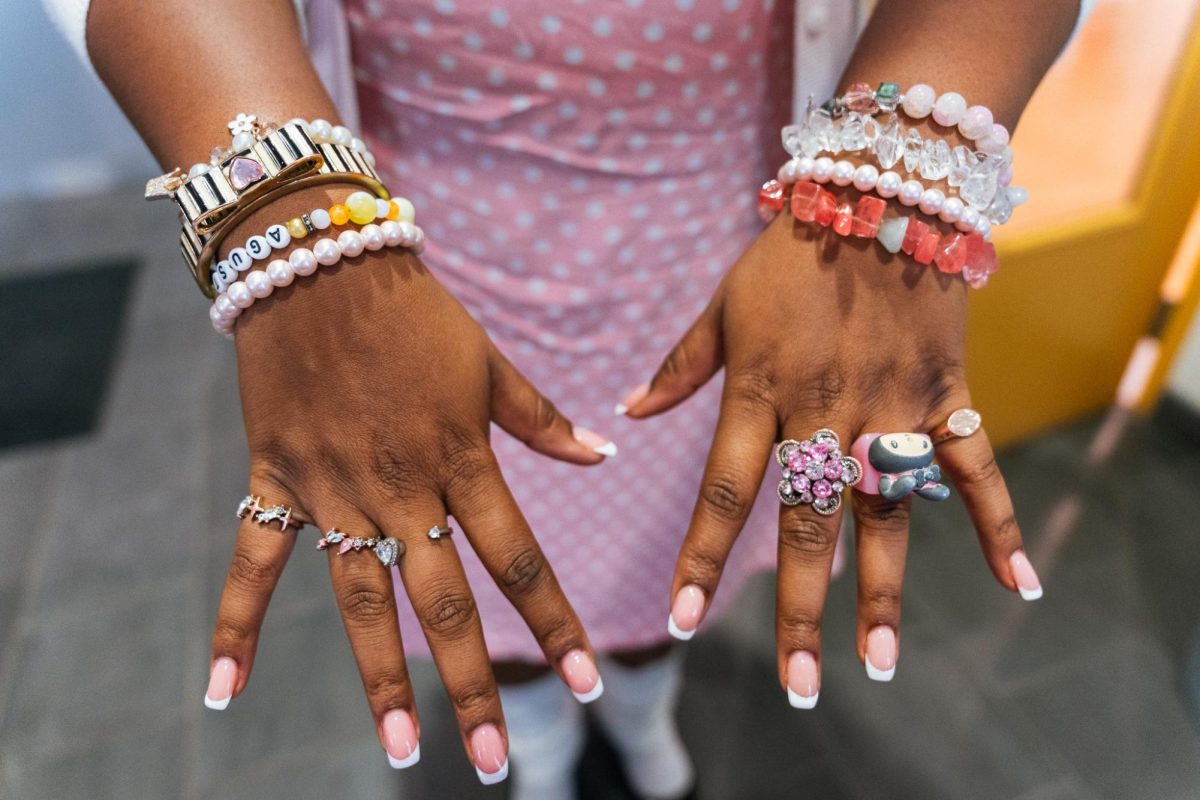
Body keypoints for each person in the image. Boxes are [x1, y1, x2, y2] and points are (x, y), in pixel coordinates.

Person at [43, 0, 1086, 796]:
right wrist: (301, 234)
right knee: (472, 543)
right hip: (419, 249)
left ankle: (638, 694)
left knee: (685, 533)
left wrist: (893, 182)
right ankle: (539, 725)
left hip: (730, 231)